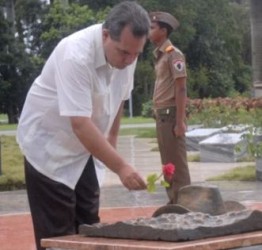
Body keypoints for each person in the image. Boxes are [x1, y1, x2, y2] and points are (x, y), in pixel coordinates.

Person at [16, 2, 150, 249]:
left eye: (136, 54)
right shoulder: (75, 54)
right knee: (58, 235)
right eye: (124, 53)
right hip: (50, 148)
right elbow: (79, 123)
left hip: (86, 146)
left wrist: (111, 140)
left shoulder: (127, 53)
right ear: (106, 35)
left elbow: (120, 96)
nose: (130, 60)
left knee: (89, 225)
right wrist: (120, 167)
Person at [148, 11, 191, 204]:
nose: (149, 32)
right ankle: (174, 202)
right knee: (168, 164)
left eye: (152, 28)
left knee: (177, 166)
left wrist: (180, 121)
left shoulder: (174, 54)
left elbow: (181, 89)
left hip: (172, 115)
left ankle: (185, 203)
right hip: (162, 116)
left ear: (163, 31)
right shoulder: (160, 55)